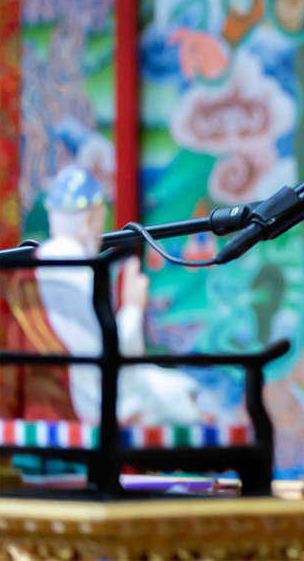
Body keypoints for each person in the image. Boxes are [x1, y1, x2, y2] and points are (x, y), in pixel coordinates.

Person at [35, 165, 204, 426]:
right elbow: (113, 350)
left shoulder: (42, 259)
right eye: (100, 221)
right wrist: (133, 306)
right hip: (94, 396)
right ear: (90, 219)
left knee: (180, 388)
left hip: (72, 383)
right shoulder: (74, 265)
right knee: (187, 400)